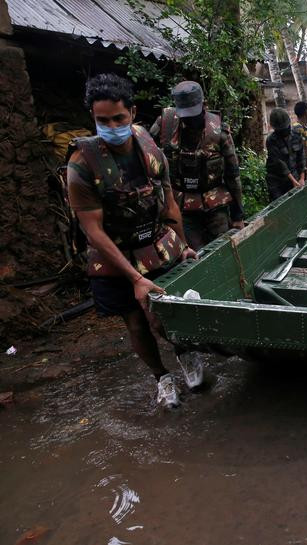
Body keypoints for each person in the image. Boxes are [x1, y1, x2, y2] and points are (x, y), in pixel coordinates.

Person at [67, 74, 199, 408]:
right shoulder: (82, 166)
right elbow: (93, 231)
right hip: (114, 254)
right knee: (137, 322)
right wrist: (135, 278)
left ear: (132, 113)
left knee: (166, 314)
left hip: (155, 243)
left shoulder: (150, 147)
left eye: (118, 119)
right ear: (93, 119)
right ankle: (162, 378)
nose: (111, 126)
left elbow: (169, 202)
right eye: (102, 121)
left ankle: (184, 354)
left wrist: (182, 246)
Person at [150, 81, 243, 251]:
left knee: (224, 250)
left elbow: (233, 174)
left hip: (215, 205)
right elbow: (147, 154)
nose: (189, 119)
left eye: (193, 114)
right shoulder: (166, 125)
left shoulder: (219, 132)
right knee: (193, 256)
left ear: (204, 105)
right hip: (182, 206)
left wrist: (238, 215)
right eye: (184, 115)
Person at [266, 108, 305, 200]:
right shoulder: (271, 140)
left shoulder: (296, 135)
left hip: (295, 177)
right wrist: (294, 181)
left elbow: (302, 157)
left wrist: (302, 178)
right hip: (277, 182)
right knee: (279, 206)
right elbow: (279, 163)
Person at [292, 101, 307, 178]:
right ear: (306, 111)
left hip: (305, 168)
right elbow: (303, 150)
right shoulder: (297, 128)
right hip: (298, 169)